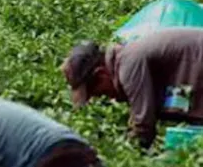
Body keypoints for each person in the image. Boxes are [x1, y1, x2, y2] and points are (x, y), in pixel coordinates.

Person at [62, 28, 203, 149]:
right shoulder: (128, 58)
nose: (100, 97)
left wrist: (123, 154)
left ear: (101, 74)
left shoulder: (129, 64)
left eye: (96, 93)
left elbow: (143, 125)